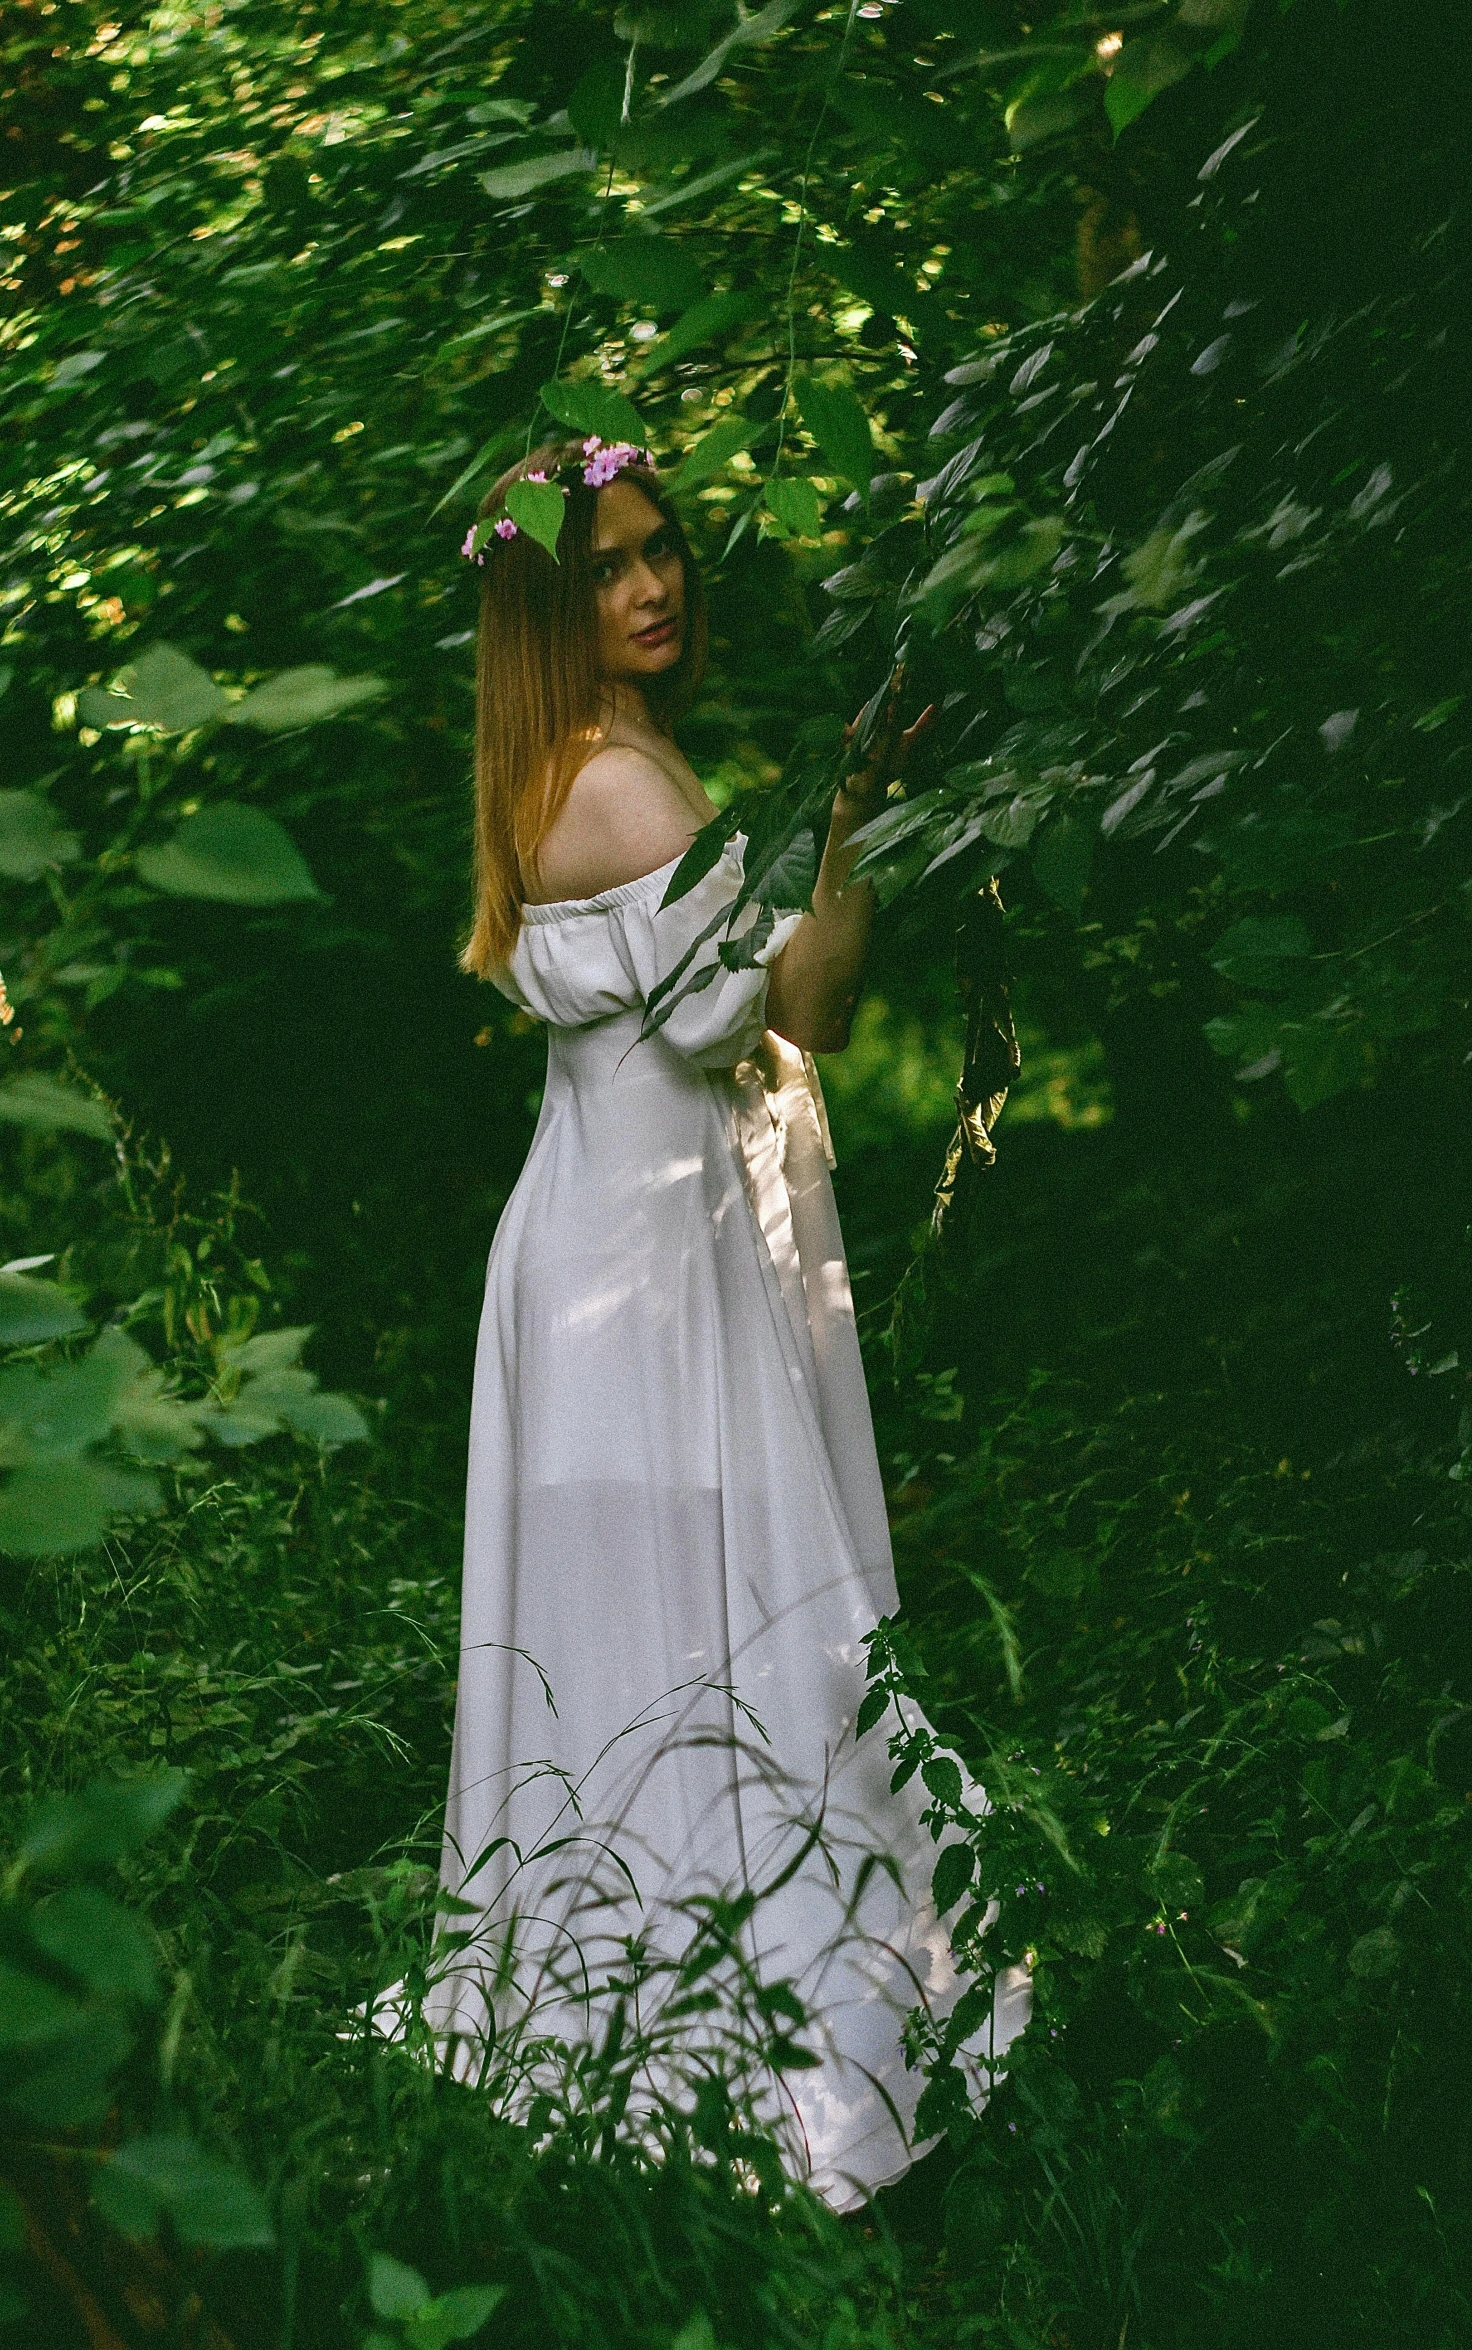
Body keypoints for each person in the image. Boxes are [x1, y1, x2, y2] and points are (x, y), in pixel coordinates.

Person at [420, 436, 1028, 2212]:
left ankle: (666, 2040)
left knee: (681, 1647)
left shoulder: (608, 759)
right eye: (611, 566)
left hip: (633, 1254)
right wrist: (847, 821)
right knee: (711, 1641)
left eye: (663, 550)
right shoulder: (613, 784)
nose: (656, 583)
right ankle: (730, 2071)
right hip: (641, 1279)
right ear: (551, 606)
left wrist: (839, 818)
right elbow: (813, 1004)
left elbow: (776, 999)